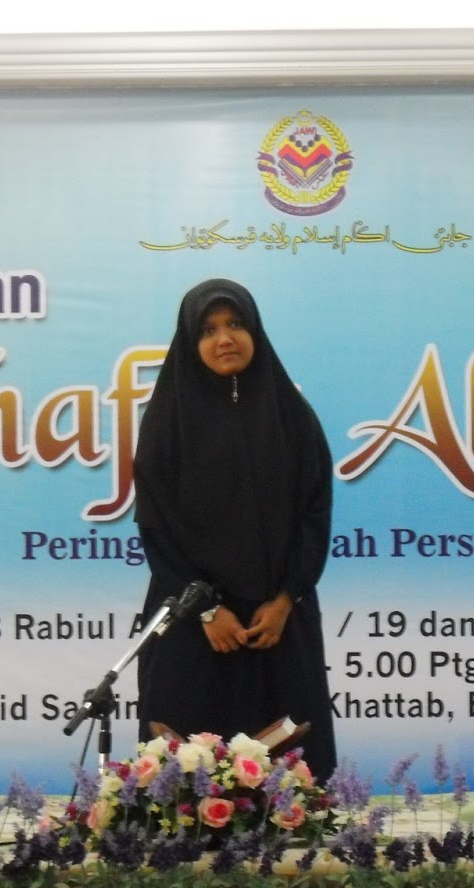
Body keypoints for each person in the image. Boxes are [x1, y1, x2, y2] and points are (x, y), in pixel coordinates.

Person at [132, 278, 337, 780]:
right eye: (208, 330)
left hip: (277, 627)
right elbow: (156, 530)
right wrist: (206, 610)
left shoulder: (293, 418)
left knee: (291, 779)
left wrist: (286, 599)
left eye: (236, 324)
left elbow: (314, 516)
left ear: (255, 331)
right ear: (190, 341)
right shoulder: (166, 423)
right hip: (191, 625)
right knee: (181, 784)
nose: (224, 338)